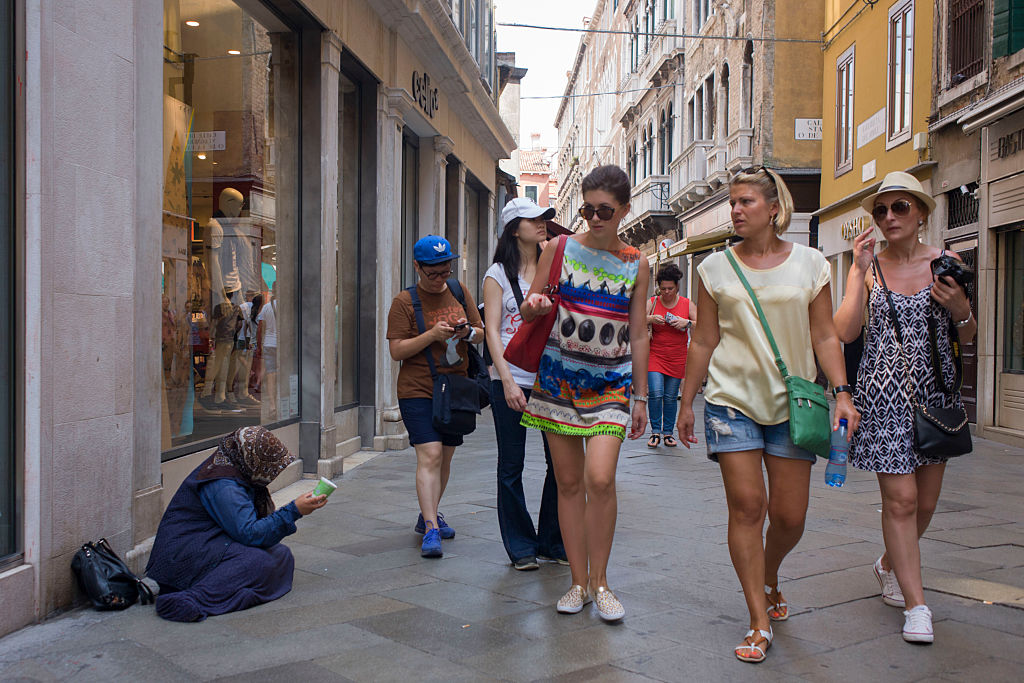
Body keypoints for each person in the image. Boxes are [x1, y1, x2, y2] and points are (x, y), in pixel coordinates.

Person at [676, 166, 859, 663]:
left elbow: (824, 335)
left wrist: (841, 392)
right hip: (731, 400)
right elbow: (705, 340)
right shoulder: (713, 268)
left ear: (774, 208)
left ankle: (770, 572)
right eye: (733, 203)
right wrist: (687, 401)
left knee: (789, 516)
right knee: (747, 507)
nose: (736, 210)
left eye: (746, 202)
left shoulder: (811, 264)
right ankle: (758, 619)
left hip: (794, 403)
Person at [834, 171, 976, 645]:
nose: (889, 217)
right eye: (881, 210)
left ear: (920, 212)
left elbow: (970, 335)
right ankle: (917, 605)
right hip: (883, 397)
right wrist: (855, 272)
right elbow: (847, 331)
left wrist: (959, 307)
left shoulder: (946, 263)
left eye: (900, 208)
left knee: (927, 503)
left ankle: (889, 563)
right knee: (902, 501)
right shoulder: (869, 267)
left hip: (934, 397)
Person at [519, 165, 649, 622]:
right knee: (569, 484)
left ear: (624, 210)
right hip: (558, 382)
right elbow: (528, 309)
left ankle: (603, 582)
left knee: (599, 478)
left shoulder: (636, 263)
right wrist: (533, 308)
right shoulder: (557, 248)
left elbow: (637, 333)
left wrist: (642, 397)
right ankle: (578, 582)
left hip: (611, 385)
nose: (594, 218)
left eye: (605, 211)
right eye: (588, 209)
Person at [146, 425, 327, 622]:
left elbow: (250, 530)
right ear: (252, 460)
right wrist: (294, 510)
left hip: (213, 542)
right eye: (267, 466)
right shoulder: (223, 485)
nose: (270, 473)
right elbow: (250, 534)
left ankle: (238, 595)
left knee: (282, 556)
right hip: (184, 554)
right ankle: (190, 599)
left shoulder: (235, 470)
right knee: (258, 562)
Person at [387, 236, 483, 558]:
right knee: (430, 455)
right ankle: (431, 528)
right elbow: (396, 350)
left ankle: (429, 513)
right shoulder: (404, 302)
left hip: (455, 390)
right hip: (418, 389)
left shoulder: (458, 291)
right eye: (434, 273)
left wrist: (466, 332)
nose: (441, 278)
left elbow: (482, 332)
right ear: (418, 267)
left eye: (446, 271)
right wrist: (431, 335)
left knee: (446, 457)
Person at [483, 197, 567, 571]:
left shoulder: (555, 269)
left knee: (560, 465)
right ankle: (520, 546)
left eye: (545, 218)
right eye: (534, 219)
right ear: (515, 229)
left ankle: (551, 541)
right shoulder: (497, 274)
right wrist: (506, 382)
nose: (543, 224)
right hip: (512, 378)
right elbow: (493, 332)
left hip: (550, 378)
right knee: (511, 465)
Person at [646, 263, 696, 448]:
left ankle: (668, 433)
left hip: (677, 356)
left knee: (670, 396)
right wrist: (650, 319)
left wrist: (687, 322)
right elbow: (634, 320)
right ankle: (655, 431)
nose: (666, 292)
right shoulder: (652, 302)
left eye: (670, 288)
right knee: (656, 392)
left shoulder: (686, 303)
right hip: (655, 355)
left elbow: (701, 323)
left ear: (677, 287)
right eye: (663, 288)